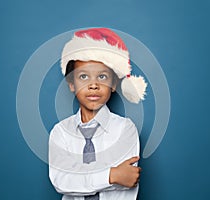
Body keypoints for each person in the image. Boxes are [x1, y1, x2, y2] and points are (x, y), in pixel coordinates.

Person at [49, 27, 147, 200]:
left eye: (102, 77)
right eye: (83, 77)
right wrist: (112, 175)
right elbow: (61, 182)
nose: (93, 85)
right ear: (71, 84)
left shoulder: (125, 129)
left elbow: (127, 179)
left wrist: (78, 175)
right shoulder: (61, 132)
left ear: (114, 84)